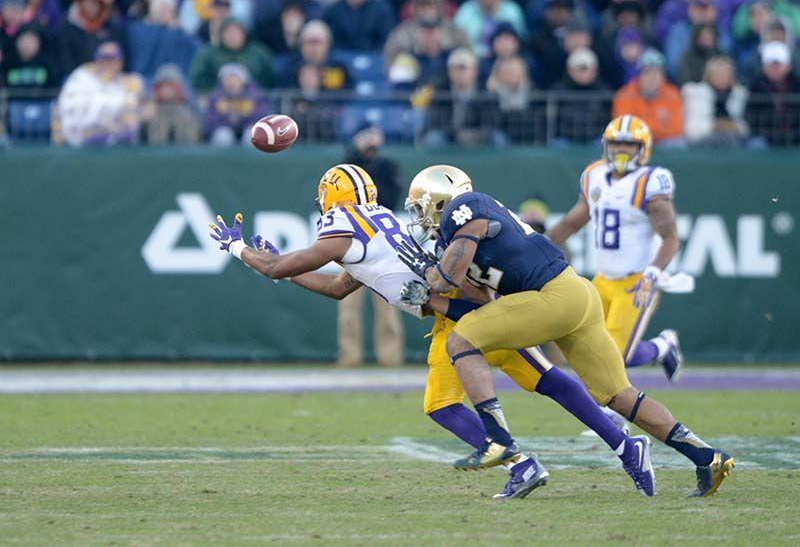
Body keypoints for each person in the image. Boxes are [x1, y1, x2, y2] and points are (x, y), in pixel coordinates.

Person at [208, 163, 656, 499]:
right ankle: (596, 450)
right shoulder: (376, 220)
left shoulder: (342, 226)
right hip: (462, 307)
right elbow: (340, 287)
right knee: (537, 383)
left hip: (457, 316)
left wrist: (239, 248)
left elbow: (280, 267)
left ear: (330, 198)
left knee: (465, 399)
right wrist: (282, 267)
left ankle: (534, 459)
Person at [395, 165, 734, 498]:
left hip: (554, 295)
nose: (420, 217)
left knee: (460, 339)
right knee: (621, 396)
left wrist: (429, 275)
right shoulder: (454, 238)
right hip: (576, 296)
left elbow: (446, 277)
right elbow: (480, 308)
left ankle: (499, 440)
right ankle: (708, 457)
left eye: (421, 208)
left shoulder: (467, 208)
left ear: (441, 201)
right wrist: (434, 300)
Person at [547, 114, 685, 396]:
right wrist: (540, 245)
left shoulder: (650, 182)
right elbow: (574, 221)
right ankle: (662, 347)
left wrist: (653, 272)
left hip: (635, 281)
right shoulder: (594, 175)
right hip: (602, 279)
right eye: (616, 145)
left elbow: (670, 238)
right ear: (605, 146)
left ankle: (616, 414)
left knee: (613, 358)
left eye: (629, 146)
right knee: (590, 350)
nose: (621, 151)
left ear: (643, 149)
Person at [336, 128, 405, 367]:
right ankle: (349, 357)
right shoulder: (349, 165)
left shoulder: (387, 166)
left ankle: (390, 358)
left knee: (387, 305)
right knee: (348, 307)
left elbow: (391, 199)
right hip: (353, 245)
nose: (371, 141)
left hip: (380, 245)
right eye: (366, 135)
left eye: (375, 135)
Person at [54, 40, 145, 146]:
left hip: (118, 146)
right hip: (81, 144)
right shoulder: (82, 77)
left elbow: (144, 112)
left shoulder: (132, 82)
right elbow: (65, 107)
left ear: (120, 61)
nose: (107, 62)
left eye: (112, 58)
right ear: (97, 59)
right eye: (103, 58)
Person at [383, 0, 469, 72]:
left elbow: (468, 54)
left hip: (448, 75)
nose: (427, 10)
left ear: (439, 8)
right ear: (415, 9)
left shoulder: (454, 30)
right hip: (414, 75)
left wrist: (441, 44)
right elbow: (390, 59)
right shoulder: (402, 32)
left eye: (431, 6)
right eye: (423, 6)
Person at [57, 0, 124, 77]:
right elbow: (65, 57)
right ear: (80, 3)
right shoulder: (68, 26)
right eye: (87, 2)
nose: (91, 6)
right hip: (76, 77)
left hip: (106, 77)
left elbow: (118, 55)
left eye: (95, 3)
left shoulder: (110, 26)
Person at [612, 49, 683, 145]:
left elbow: (676, 129)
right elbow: (624, 128)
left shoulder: (672, 94)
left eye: (657, 73)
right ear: (638, 76)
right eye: (647, 72)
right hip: (634, 144)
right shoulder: (624, 95)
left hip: (663, 143)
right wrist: (657, 128)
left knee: (677, 144)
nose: (652, 78)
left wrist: (647, 130)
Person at [126, 0, 199, 80]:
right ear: (152, 10)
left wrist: (179, 29)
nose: (165, 12)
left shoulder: (179, 33)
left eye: (168, 9)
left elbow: (197, 49)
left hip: (172, 78)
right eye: (161, 8)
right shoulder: (136, 30)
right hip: (140, 77)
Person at [189, 18, 274, 94]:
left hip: (255, 101)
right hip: (217, 102)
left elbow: (270, 75)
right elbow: (198, 77)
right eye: (228, 32)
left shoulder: (258, 52)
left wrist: (256, 90)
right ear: (221, 35)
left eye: (236, 31)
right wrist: (218, 89)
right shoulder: (208, 53)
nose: (233, 35)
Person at [454, 0, 526, 59]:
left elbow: (520, 36)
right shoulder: (466, 10)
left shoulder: (511, 10)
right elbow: (456, 34)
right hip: (472, 56)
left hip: (506, 56)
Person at [682, 55, 749, 145]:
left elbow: (745, 128)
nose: (722, 77)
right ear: (709, 75)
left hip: (734, 140)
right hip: (703, 141)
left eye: (726, 74)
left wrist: (734, 127)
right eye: (718, 74)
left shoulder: (739, 94)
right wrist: (717, 125)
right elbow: (692, 130)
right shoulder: (697, 93)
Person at [746, 40, 800, 147]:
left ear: (788, 66)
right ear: (763, 67)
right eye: (771, 64)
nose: (775, 68)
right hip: (765, 137)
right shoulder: (755, 87)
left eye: (778, 64)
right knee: (755, 145)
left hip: (796, 136)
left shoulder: (797, 85)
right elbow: (750, 116)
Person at [551, 47, 611, 143]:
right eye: (580, 69)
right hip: (565, 139)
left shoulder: (604, 91)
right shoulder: (558, 90)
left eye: (587, 69)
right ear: (570, 69)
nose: (584, 73)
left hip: (595, 139)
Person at [204, 63, 268, 147]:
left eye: (234, 78)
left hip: (247, 127)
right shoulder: (215, 97)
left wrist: (245, 122)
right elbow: (210, 119)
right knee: (223, 136)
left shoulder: (254, 96)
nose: (230, 82)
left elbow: (260, 116)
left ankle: (253, 160)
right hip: (223, 129)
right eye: (226, 78)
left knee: (252, 134)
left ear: (243, 80)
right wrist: (224, 124)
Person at [145, 64, 202, 145]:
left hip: (179, 108)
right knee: (157, 123)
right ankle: (157, 152)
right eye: (164, 85)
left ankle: (187, 152)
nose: (167, 89)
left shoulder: (186, 94)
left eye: (171, 85)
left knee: (186, 120)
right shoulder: (153, 94)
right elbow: (147, 105)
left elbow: (196, 110)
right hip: (159, 109)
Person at [286, 20, 350, 90]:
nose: (314, 47)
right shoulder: (291, 68)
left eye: (318, 42)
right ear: (301, 45)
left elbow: (346, 95)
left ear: (328, 45)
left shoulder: (337, 68)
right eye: (309, 42)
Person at [486, 55, 532, 143]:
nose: (511, 74)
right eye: (507, 71)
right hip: (502, 135)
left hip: (528, 134)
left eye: (514, 70)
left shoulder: (534, 93)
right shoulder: (491, 96)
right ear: (499, 74)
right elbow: (492, 122)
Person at [1, 23, 60, 89]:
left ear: (39, 43)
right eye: (23, 40)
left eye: (31, 41)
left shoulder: (49, 64)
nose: (26, 45)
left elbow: (54, 88)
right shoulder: (7, 64)